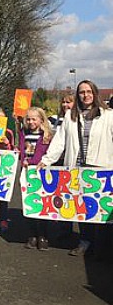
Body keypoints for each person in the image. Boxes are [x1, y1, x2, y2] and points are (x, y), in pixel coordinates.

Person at [38, 80, 113, 257]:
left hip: (101, 168)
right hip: (77, 168)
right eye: (81, 92)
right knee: (83, 208)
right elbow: (60, 142)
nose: (85, 95)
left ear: (95, 93)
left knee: (101, 209)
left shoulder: (109, 115)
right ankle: (85, 241)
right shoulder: (71, 116)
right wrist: (46, 160)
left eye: (88, 91)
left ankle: (101, 246)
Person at [16, 107, 53, 250]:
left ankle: (43, 236)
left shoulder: (46, 136)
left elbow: (41, 154)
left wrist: (30, 162)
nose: (31, 122)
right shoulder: (23, 133)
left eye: (34, 119)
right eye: (28, 119)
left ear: (41, 120)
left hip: (41, 173)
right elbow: (21, 150)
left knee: (41, 204)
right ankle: (32, 235)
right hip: (26, 173)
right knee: (28, 203)